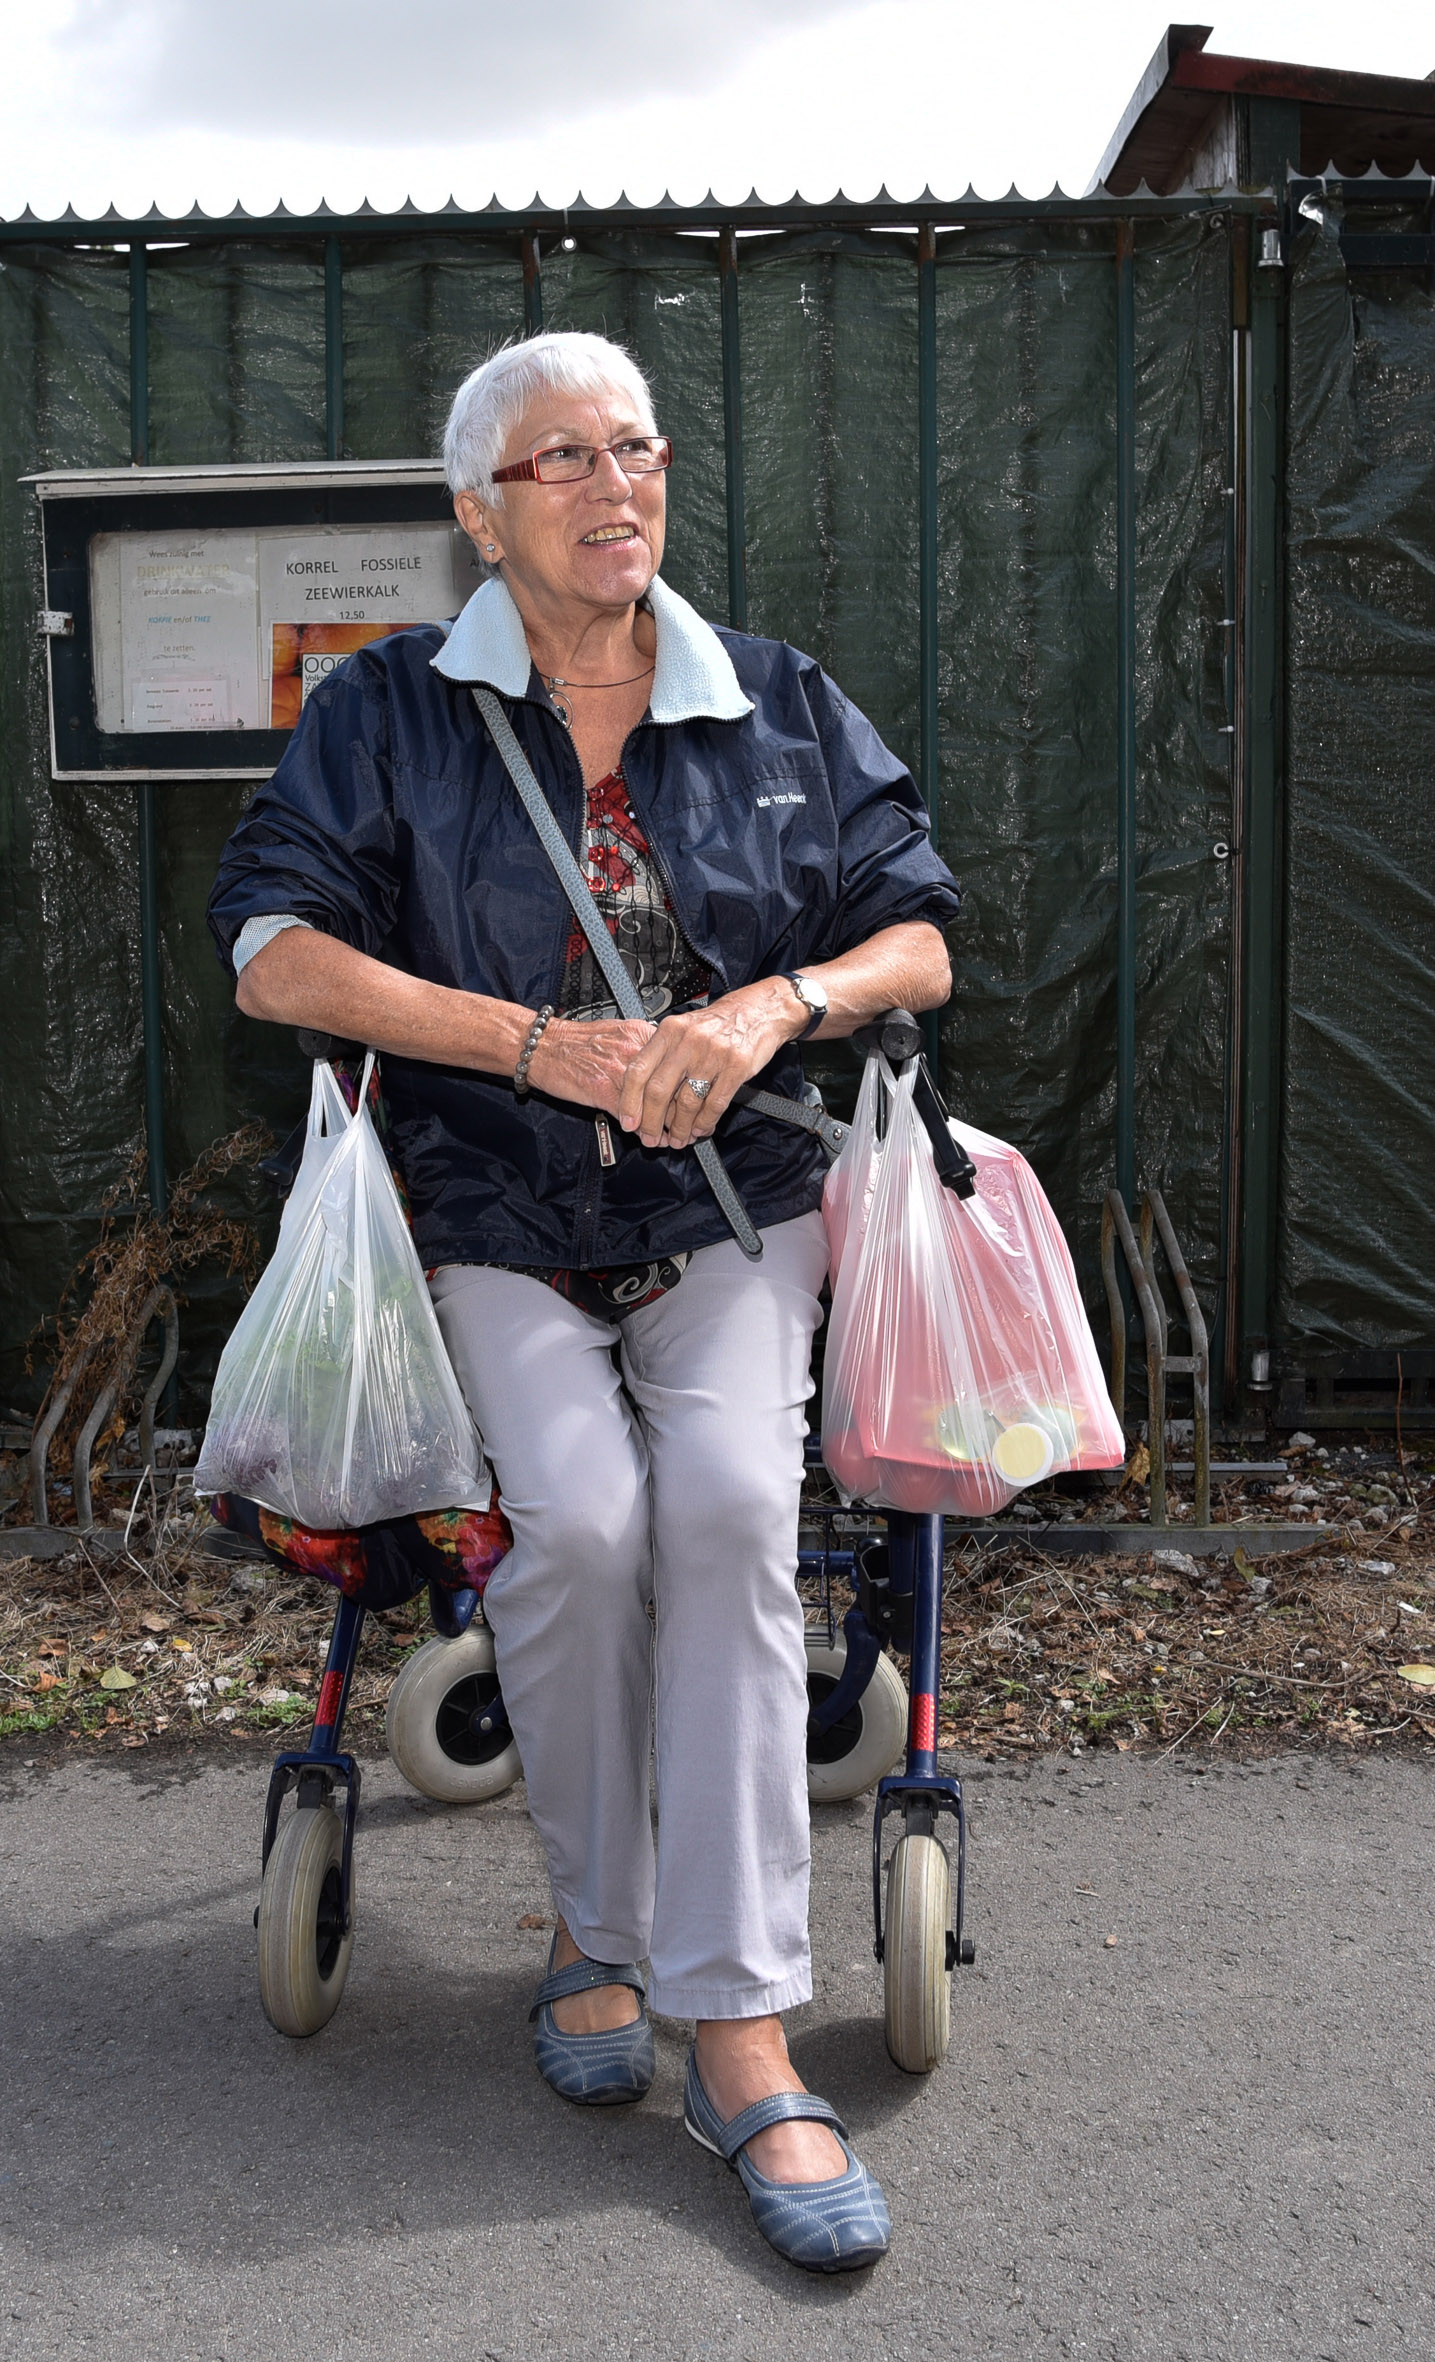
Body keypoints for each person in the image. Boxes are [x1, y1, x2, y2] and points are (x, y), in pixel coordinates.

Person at [209, 329, 958, 2273]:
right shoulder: (386, 711)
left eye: (636, 446)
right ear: (481, 511)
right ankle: (596, 1928)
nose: (615, 483)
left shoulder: (773, 697)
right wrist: (534, 1044)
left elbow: (916, 933)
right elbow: (273, 949)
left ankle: (739, 2026)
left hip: (732, 1204)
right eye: (563, 458)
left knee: (727, 1508)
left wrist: (773, 1003)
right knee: (580, 1526)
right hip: (489, 1199)